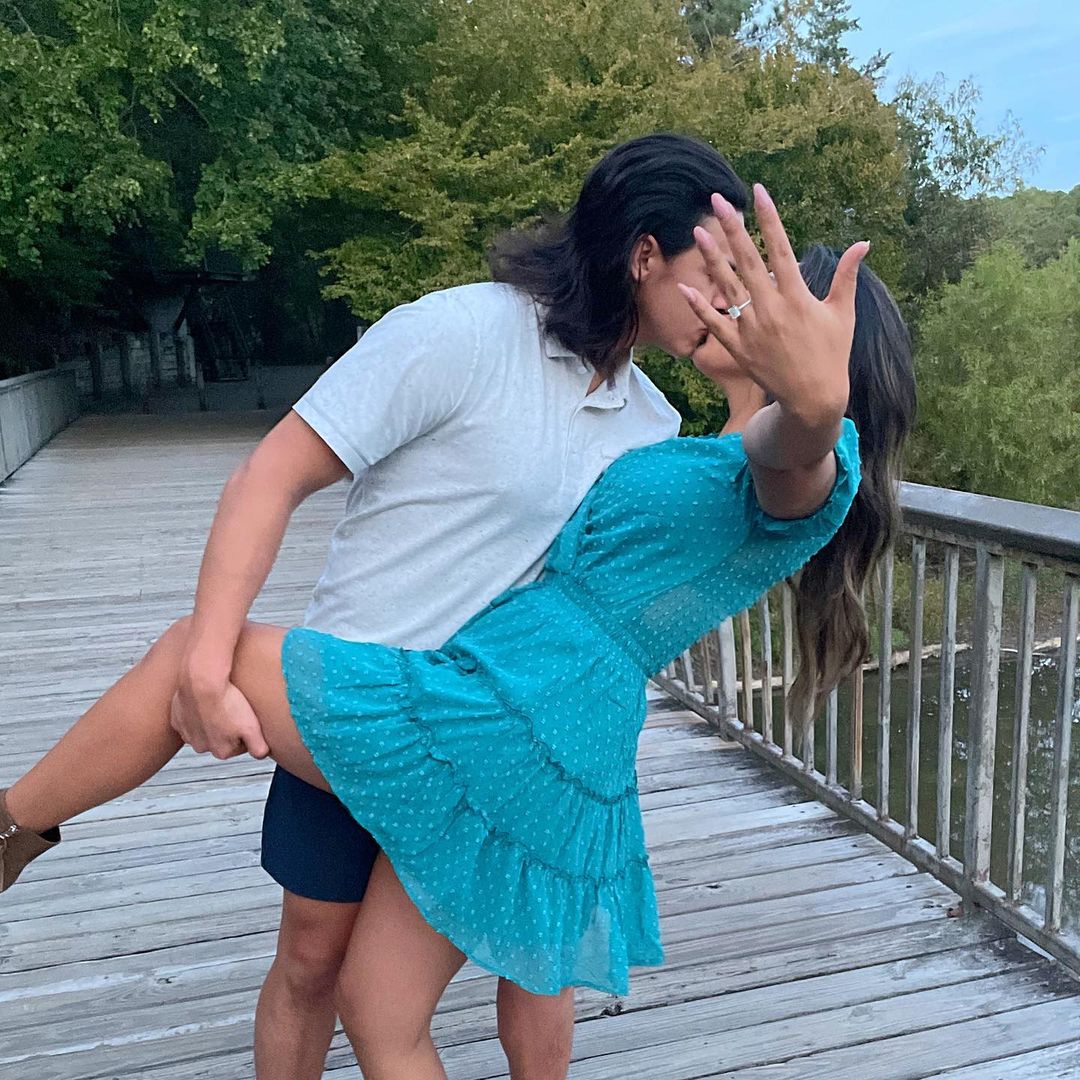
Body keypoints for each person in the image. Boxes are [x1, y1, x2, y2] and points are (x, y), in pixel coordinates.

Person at [0, 184, 916, 1078]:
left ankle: (8, 830)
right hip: (501, 700)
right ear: (643, 256)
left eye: (761, 297)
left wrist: (815, 403)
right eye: (735, 286)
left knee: (196, 655)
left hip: (507, 715)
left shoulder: (800, 459)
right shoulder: (683, 434)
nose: (735, 306)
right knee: (375, 1006)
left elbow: (797, 452)